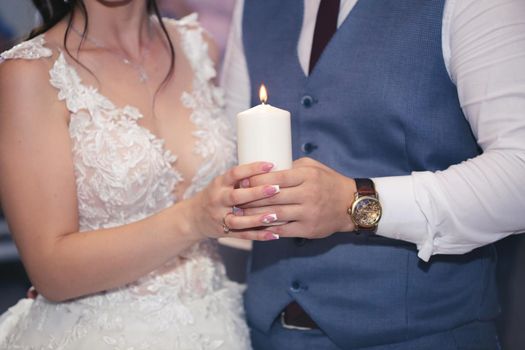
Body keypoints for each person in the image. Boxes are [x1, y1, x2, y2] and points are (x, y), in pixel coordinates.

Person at [221, 0, 525, 348]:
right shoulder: (254, 7)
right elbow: (231, 153)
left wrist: (357, 203)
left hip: (421, 335)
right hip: (268, 333)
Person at [0, 0, 281, 349]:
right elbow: (51, 273)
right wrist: (193, 219)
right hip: (98, 333)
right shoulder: (31, 71)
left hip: (216, 326)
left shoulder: (197, 45)